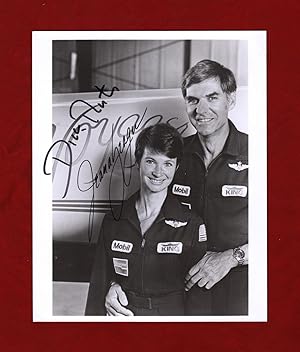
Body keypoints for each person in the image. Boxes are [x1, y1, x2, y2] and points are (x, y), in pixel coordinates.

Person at [103, 59, 248, 316]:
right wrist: (116, 282)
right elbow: (143, 227)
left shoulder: (262, 155)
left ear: (231, 100)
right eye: (193, 100)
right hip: (184, 294)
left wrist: (232, 257)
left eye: (212, 97)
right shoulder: (173, 157)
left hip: (241, 289)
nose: (201, 109)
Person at [85, 123, 207, 316]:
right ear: (138, 161)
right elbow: (98, 287)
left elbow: (200, 298)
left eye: (167, 163)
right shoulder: (114, 220)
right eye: (151, 161)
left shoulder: (191, 224)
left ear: (176, 167)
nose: (158, 172)